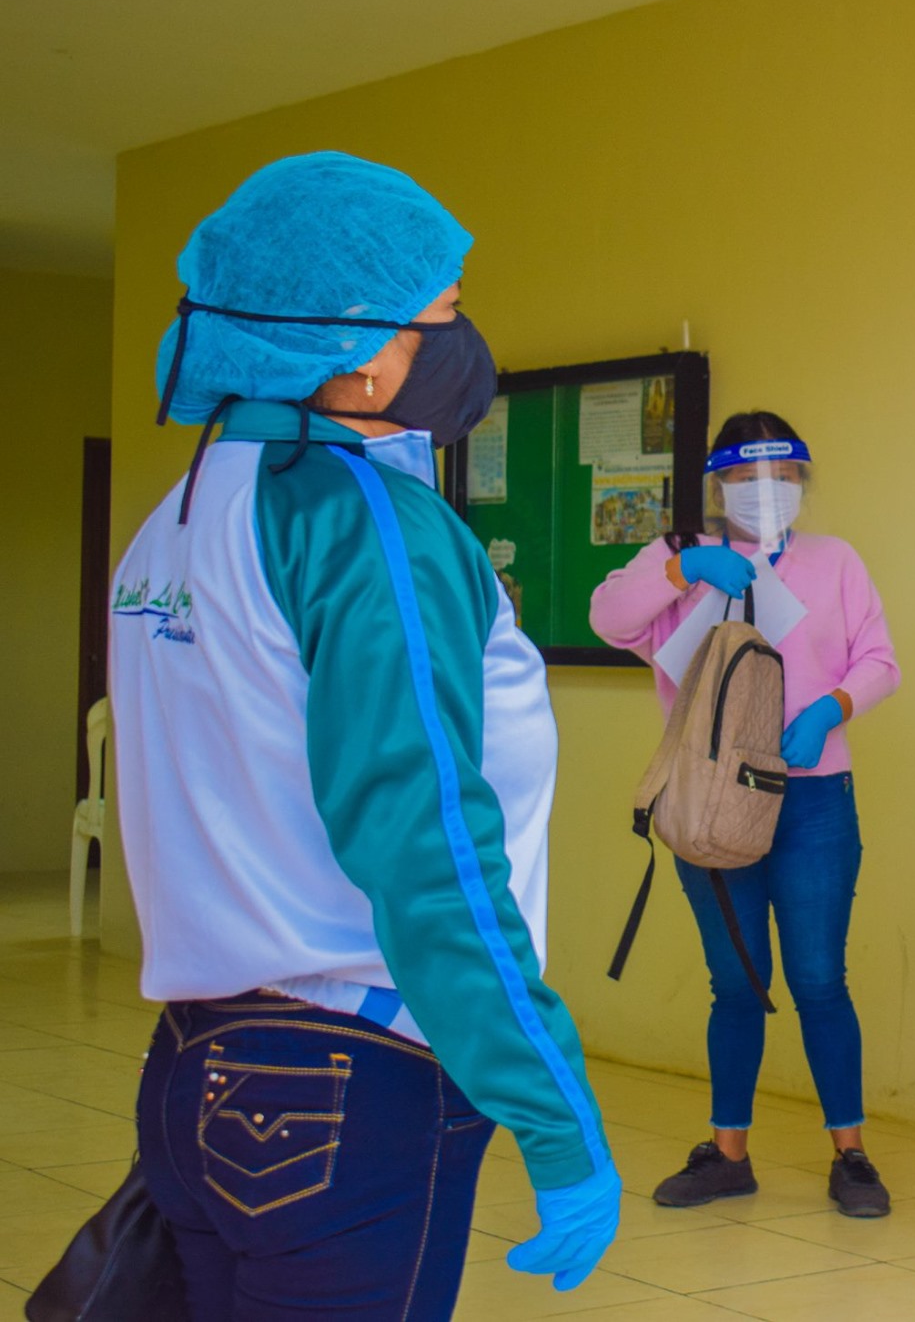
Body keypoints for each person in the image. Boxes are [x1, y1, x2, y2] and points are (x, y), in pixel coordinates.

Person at [110, 152, 618, 1318]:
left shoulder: (183, 512)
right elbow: (425, 837)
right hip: (344, 1081)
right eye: (439, 314)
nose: (459, 341)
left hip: (193, 1067)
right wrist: (552, 1110)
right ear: (354, 346)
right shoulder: (363, 523)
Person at [590, 411, 901, 1217]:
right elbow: (608, 618)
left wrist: (831, 707)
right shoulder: (679, 556)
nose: (767, 492)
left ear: (802, 483)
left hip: (813, 795)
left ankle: (852, 1154)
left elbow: (880, 660)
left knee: (819, 977)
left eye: (784, 478)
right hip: (711, 797)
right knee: (735, 979)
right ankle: (728, 1154)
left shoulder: (835, 561)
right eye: (747, 479)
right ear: (717, 485)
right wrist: (682, 568)